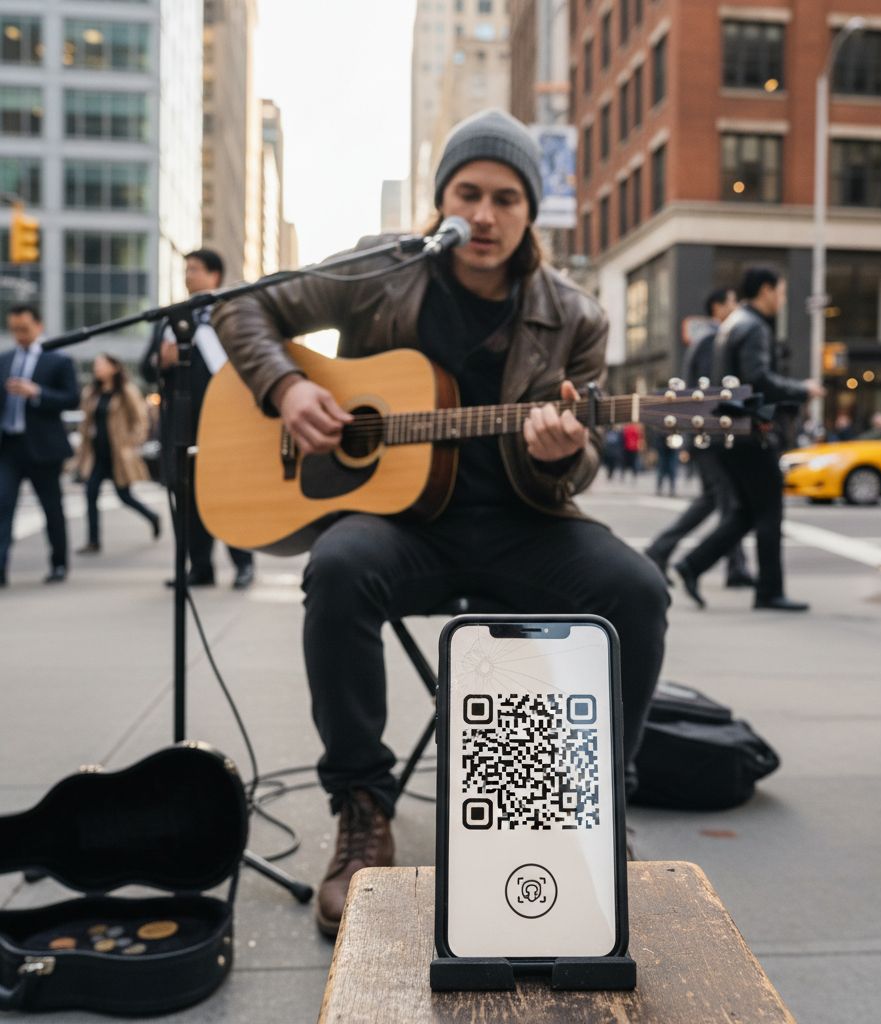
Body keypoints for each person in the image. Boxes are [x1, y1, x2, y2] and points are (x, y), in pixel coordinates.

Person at [213, 108, 669, 937]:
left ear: (531, 212)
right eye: (469, 194)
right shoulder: (381, 267)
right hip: (402, 528)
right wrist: (287, 388)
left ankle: (593, 809)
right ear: (441, 199)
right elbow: (240, 312)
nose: (486, 216)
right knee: (341, 567)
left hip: (522, 525)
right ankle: (361, 810)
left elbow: (588, 459)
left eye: (507, 198)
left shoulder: (576, 317)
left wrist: (561, 453)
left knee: (635, 588)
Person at [674, 268, 825, 612]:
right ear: (767, 290)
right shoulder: (753, 326)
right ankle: (770, 591)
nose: (783, 300)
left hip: (732, 432)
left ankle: (692, 565)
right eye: (782, 292)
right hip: (751, 432)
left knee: (744, 513)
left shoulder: (733, 324)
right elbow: (758, 379)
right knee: (770, 510)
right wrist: (802, 389)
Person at [142, 249, 254, 589]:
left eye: (195, 269)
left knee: (229, 495)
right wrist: (161, 362)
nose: (188, 275)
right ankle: (199, 567)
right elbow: (146, 369)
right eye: (185, 269)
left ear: (214, 276)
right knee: (185, 498)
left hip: (224, 423)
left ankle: (243, 564)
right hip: (180, 424)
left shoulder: (232, 313)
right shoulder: (170, 320)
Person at [644, 289, 753, 588]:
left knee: (718, 501)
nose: (737, 307)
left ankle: (735, 567)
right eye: (732, 302)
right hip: (710, 438)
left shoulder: (710, 339)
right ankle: (659, 551)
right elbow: (709, 395)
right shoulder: (712, 341)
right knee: (726, 502)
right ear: (717, 307)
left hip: (709, 437)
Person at [0, 304, 79, 587]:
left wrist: (37, 392)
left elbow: (72, 398)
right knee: (3, 505)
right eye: (14, 330)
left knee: (51, 508)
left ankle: (59, 563)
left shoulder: (57, 360)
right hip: (9, 446)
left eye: (24, 329)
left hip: (43, 448)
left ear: (38, 326)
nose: (19, 335)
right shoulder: (5, 360)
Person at [75, 354, 160, 554]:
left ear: (114, 367)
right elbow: (86, 423)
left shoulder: (125, 391)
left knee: (124, 496)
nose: (98, 368)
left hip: (118, 454)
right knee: (90, 493)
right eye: (96, 365)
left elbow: (140, 420)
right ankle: (93, 540)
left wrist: (131, 444)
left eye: (102, 365)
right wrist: (82, 451)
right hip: (97, 454)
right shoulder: (92, 392)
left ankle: (152, 517)